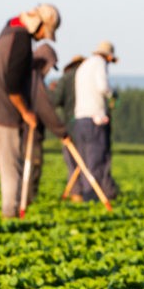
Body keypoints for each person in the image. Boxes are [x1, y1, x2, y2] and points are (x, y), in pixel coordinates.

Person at [0, 3, 61, 219]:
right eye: (43, 33)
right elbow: (12, 85)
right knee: (11, 169)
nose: (41, 37)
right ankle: (10, 215)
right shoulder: (21, 40)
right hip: (2, 115)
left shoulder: (10, 27)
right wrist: (26, 112)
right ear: (39, 25)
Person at [73, 41, 120, 202]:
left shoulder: (84, 65)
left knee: (85, 160)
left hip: (80, 119)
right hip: (95, 119)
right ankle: (92, 196)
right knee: (97, 158)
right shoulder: (99, 64)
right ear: (108, 56)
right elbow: (103, 87)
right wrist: (112, 94)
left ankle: (89, 193)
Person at [23, 44, 69, 202]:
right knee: (32, 166)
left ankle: (21, 200)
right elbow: (45, 109)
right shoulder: (35, 78)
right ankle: (27, 201)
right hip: (29, 131)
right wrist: (62, 132)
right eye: (50, 67)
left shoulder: (25, 73)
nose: (49, 71)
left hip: (20, 129)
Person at [49, 54, 84, 193]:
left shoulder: (66, 78)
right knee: (88, 160)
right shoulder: (87, 77)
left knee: (72, 162)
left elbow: (55, 101)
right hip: (89, 125)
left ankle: (76, 194)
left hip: (70, 124)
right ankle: (89, 193)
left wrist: (51, 90)